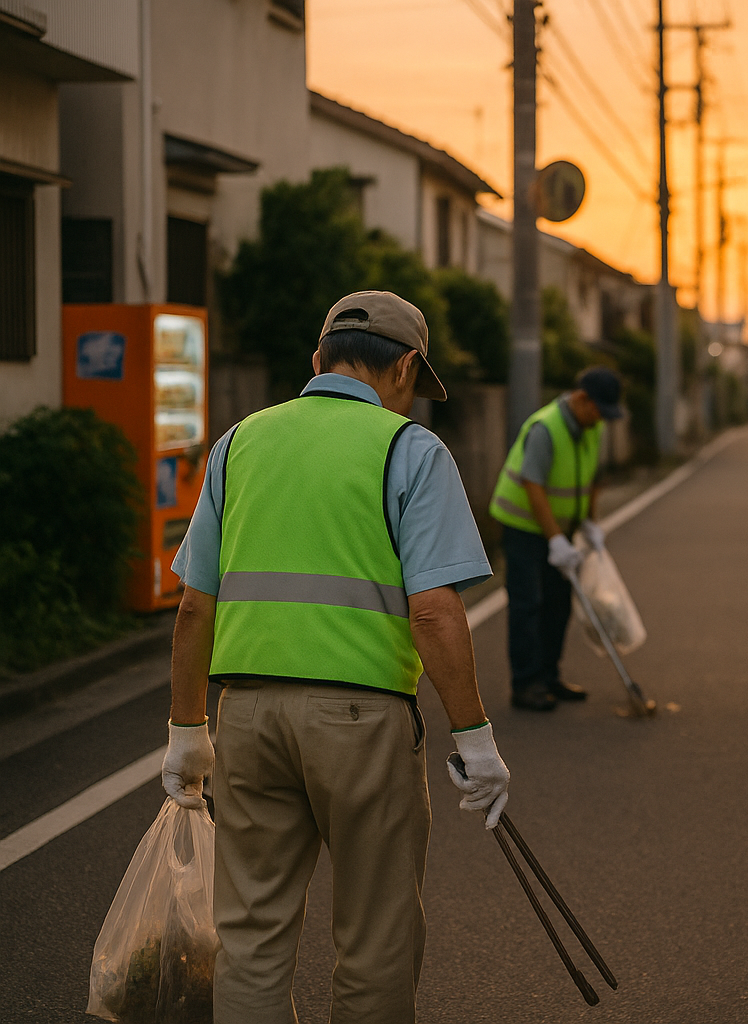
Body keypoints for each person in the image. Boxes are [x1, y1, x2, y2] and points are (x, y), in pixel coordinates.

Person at [158, 291, 510, 1023]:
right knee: (375, 938)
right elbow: (434, 611)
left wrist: (187, 730)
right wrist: (474, 739)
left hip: (247, 719)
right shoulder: (411, 449)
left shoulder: (238, 442)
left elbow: (195, 604)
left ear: (317, 360)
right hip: (363, 724)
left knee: (250, 938)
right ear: (407, 368)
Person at [491, 367, 624, 711]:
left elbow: (591, 478)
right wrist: (555, 540)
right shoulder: (545, 428)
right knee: (527, 603)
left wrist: (591, 525)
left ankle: (549, 677)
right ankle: (525, 684)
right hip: (524, 528)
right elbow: (532, 486)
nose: (601, 420)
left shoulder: (589, 427)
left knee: (558, 603)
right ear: (581, 399)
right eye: (598, 410)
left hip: (561, 530)